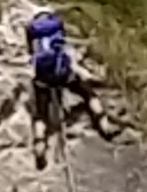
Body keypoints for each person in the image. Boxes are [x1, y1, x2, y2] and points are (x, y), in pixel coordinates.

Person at [26, 9, 112, 168]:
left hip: (43, 78)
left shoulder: (32, 29)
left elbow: (31, 53)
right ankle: (103, 123)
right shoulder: (57, 25)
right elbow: (64, 48)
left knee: (40, 113)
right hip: (63, 74)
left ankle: (40, 145)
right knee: (87, 92)